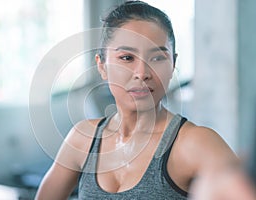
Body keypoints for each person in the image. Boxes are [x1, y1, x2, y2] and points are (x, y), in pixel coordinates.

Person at [35, 1, 241, 199]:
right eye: (127, 58)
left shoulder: (196, 143)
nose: (142, 73)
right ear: (102, 66)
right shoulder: (83, 138)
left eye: (157, 58)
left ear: (173, 65)